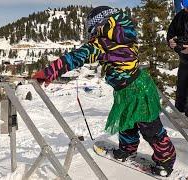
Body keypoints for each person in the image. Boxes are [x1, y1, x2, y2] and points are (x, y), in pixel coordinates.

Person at [32, 6, 176, 177]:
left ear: (98, 25)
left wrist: (49, 72)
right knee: (126, 121)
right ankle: (127, 149)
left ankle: (166, 161)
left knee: (150, 127)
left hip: (137, 90)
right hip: (130, 88)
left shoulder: (103, 44)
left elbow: (77, 56)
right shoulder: (124, 35)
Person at [167, 0, 188, 117]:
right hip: (184, 60)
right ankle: (179, 113)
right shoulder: (179, 16)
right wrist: (171, 42)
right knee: (182, 87)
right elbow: (170, 34)